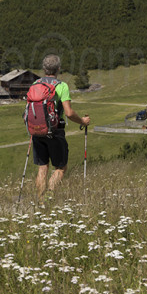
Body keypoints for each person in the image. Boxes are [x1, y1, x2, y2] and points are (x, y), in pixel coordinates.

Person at [31, 54, 90, 198]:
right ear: (58, 69)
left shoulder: (35, 84)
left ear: (44, 69)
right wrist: (82, 121)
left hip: (37, 131)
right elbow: (69, 113)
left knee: (42, 167)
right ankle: (49, 197)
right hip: (55, 130)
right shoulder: (61, 86)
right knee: (61, 167)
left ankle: (40, 199)